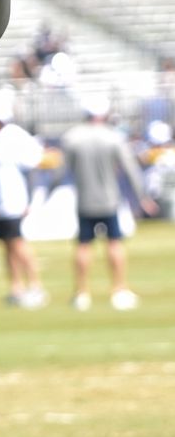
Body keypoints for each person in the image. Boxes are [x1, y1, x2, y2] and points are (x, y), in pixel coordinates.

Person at [59, 94, 159, 311]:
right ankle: (119, 290)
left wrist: (49, 190)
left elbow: (61, 170)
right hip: (109, 199)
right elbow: (130, 169)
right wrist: (142, 196)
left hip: (85, 199)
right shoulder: (114, 137)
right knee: (114, 243)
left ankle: (81, 293)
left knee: (84, 245)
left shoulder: (72, 137)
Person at [0, 90, 49, 309]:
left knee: (17, 243)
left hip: (12, 200)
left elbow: (33, 164)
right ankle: (16, 287)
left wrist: (30, 199)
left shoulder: (14, 135)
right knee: (6, 245)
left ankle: (36, 286)